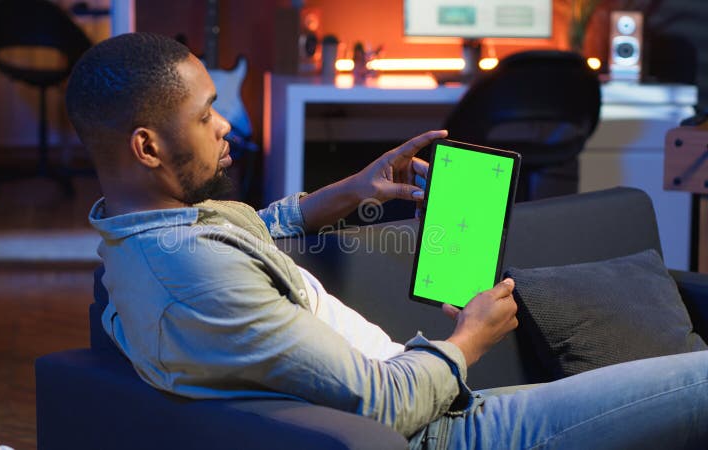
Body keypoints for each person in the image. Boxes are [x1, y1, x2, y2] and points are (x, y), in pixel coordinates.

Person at [66, 32, 708, 449]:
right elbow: (384, 404)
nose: (225, 122)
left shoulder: (151, 235)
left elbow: (257, 230)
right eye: (205, 114)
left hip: (447, 401)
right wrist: (470, 338)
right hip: (456, 431)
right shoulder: (192, 276)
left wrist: (357, 187)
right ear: (147, 146)